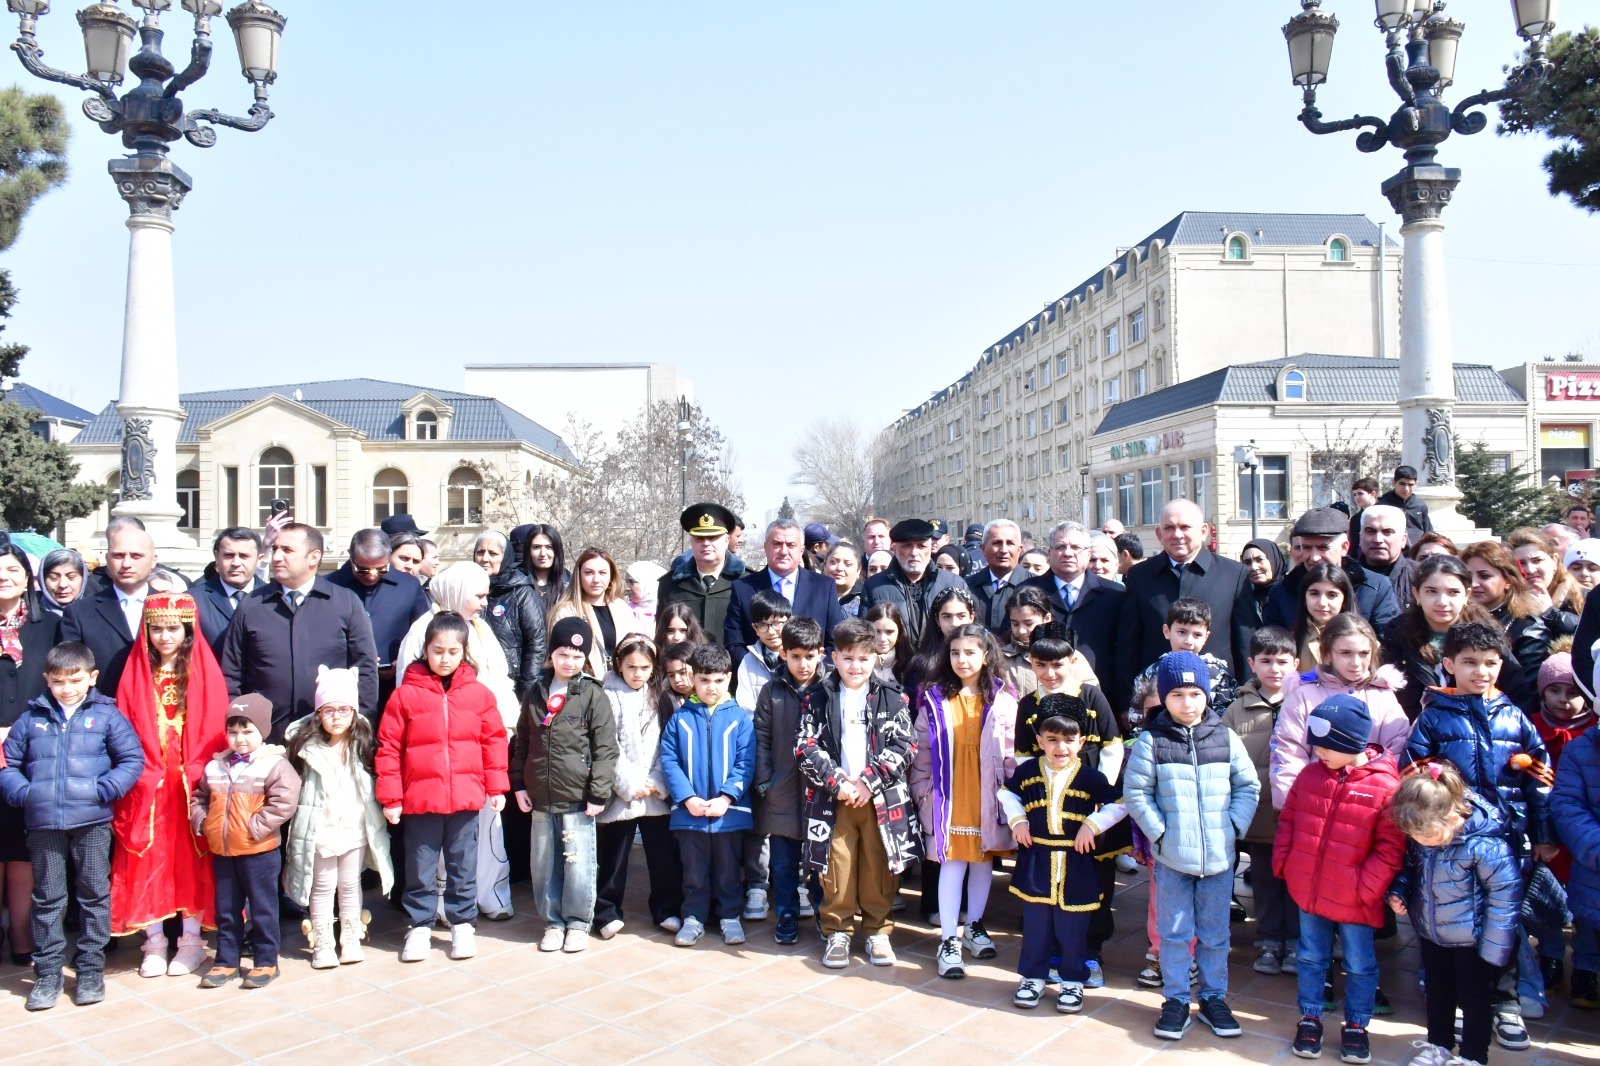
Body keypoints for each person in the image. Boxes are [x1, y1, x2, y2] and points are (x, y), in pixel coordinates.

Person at [1407, 620, 1555, 1050]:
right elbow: (1415, 774)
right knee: (1450, 922)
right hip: (1449, 843)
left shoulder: (1514, 716)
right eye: (1469, 662)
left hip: (1506, 844)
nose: (1481, 671)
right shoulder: (1433, 716)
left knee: (1502, 925)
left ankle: (1503, 1001)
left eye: (1490, 663)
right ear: (1449, 664)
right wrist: (1450, 815)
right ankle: (1450, 1006)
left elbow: (1541, 775)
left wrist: (1542, 830)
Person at [1122, 651, 1259, 1042]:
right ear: (1164, 697)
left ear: (1207, 695)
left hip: (1219, 858)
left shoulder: (1225, 737)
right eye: (1178, 694)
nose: (1187, 703)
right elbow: (1136, 792)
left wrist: (1233, 827)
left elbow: (1248, 786)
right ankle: (1177, 1000)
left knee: (1216, 934)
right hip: (1171, 859)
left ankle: (1214, 997)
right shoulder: (1152, 741)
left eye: (1195, 693)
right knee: (1175, 932)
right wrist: (1160, 833)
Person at [0, 642, 143, 1010]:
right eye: (59, 681)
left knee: (94, 893)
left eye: (75, 680)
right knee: (48, 898)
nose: (67, 689)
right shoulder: (31, 720)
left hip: (92, 821)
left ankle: (91, 968)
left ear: (91, 678)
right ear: (47, 679)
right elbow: (9, 765)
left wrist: (104, 789)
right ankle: (47, 972)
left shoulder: (107, 716)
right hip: (44, 823)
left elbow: (130, 759)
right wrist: (25, 794)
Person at [1274, 694, 1406, 1064]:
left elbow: (1390, 847)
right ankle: (1310, 1016)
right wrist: (1286, 863)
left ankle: (1356, 1025)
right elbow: (1290, 820)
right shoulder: (1311, 774)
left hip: (1356, 899)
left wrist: (1367, 887)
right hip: (1310, 892)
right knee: (1312, 956)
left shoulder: (1384, 786)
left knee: (1360, 963)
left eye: (1326, 745)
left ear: (1352, 742)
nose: (1317, 752)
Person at [377, 612, 509, 964]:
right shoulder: (405, 695)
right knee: (419, 867)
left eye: (453, 651)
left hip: (465, 798)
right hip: (419, 800)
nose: (445, 658)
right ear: (425, 649)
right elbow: (389, 747)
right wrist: (391, 797)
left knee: (462, 865)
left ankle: (462, 923)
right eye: (438, 651)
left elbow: (493, 742)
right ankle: (419, 925)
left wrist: (497, 788)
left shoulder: (479, 695)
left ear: (464, 652)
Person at [112, 592, 229, 979]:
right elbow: (126, 724)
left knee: (193, 854)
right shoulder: (135, 672)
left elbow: (213, 726)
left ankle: (192, 941)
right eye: (157, 628)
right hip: (149, 779)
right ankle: (155, 941)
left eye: (172, 628)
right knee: (149, 856)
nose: (164, 636)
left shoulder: (202, 671)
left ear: (187, 630)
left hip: (188, 777)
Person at [395, 562, 520, 920]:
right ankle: (441, 907)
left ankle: (487, 896)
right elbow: (413, 697)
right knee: (438, 842)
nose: (483, 603)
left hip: (478, 746)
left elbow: (498, 679)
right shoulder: (423, 631)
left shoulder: (479, 628)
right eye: (477, 595)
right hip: (436, 758)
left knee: (483, 831)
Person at [798, 617, 918, 969]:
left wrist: (868, 782)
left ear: (875, 658)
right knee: (837, 865)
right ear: (834, 658)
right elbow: (805, 746)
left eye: (864, 658)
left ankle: (878, 931)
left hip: (879, 799)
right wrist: (839, 783)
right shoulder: (816, 697)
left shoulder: (893, 697)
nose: (856, 666)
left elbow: (905, 745)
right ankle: (838, 930)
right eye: (848, 657)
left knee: (878, 865)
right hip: (834, 799)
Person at [1388, 764, 1521, 1066]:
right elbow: (1410, 869)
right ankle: (1439, 1045)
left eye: (1426, 835)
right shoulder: (1424, 837)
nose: (1420, 841)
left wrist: (1493, 948)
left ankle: (1474, 1055)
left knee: (1474, 999)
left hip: (1472, 940)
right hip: (1433, 932)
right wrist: (1399, 892)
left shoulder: (1485, 845)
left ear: (1451, 817)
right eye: (1414, 836)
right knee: (1437, 992)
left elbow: (1505, 896)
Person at [1016, 625, 1123, 986]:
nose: (1049, 673)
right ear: (1031, 663)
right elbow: (1021, 759)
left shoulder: (1091, 696)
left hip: (1089, 806)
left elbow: (1111, 747)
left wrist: (1098, 806)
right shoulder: (1027, 705)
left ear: (1073, 661)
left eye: (1058, 664)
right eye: (1041, 664)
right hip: (1047, 809)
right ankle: (1053, 953)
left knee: (1093, 880)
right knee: (1045, 881)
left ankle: (1090, 952)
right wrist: (1029, 809)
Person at [910, 623, 1017, 978]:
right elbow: (922, 748)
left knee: (983, 860)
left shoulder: (1003, 698)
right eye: (955, 653)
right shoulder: (934, 697)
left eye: (970, 652)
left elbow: (1012, 749)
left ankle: (974, 925)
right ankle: (948, 939)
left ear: (986, 657)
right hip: (948, 794)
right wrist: (921, 789)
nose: (962, 659)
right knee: (953, 861)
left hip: (987, 793)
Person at [1000, 712, 1124, 1013]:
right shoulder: (1028, 771)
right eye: (1052, 740)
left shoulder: (1090, 776)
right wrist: (1017, 821)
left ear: (1081, 742)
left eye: (1069, 740)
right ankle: (1033, 977)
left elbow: (1120, 803)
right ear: (1040, 741)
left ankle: (1072, 981)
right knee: (1036, 925)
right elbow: (1006, 794)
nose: (1061, 747)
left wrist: (1091, 825)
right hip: (1037, 858)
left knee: (1073, 927)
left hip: (1076, 862)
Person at [512, 616, 617, 954]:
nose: (569, 662)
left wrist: (599, 790)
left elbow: (605, 748)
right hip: (541, 797)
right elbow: (523, 741)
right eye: (563, 654)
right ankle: (553, 922)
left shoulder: (592, 695)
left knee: (578, 862)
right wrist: (519, 784)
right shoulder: (535, 691)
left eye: (577, 655)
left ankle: (576, 922)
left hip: (578, 798)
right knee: (544, 862)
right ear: (551, 655)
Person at [220, 523, 379, 742]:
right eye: (275, 549)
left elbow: (365, 669)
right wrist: (238, 726)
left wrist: (361, 726)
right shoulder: (252, 605)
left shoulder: (344, 602)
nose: (276, 557)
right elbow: (232, 673)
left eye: (287, 550)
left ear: (313, 557)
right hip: (264, 739)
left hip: (328, 738)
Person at [284, 666, 393, 969]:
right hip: (320, 829)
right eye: (328, 709)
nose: (336, 716)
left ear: (354, 712)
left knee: (349, 884)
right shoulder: (305, 748)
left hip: (355, 826)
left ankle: (351, 937)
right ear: (318, 713)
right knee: (322, 885)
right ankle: (323, 942)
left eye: (343, 709)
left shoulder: (362, 744)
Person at [189, 692, 298, 990]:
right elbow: (199, 797)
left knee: (263, 906)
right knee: (226, 907)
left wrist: (256, 827)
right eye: (233, 732)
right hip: (223, 851)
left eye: (247, 731)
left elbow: (284, 802)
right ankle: (226, 961)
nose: (239, 739)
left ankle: (266, 960)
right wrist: (203, 822)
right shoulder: (215, 767)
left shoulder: (273, 765)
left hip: (258, 850)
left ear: (261, 731)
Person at [660, 643, 754, 948]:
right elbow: (670, 761)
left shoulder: (740, 719)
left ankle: (730, 917)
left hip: (728, 814)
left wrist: (726, 798)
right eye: (704, 680)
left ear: (728, 678)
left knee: (728, 870)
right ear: (693, 679)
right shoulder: (680, 719)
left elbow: (746, 762)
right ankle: (694, 918)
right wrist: (687, 798)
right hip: (691, 814)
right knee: (694, 870)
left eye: (718, 680)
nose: (710, 687)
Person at [1270, 613, 1410, 809]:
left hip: (1368, 806)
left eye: (1363, 653)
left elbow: (1396, 751)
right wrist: (1293, 805)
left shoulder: (1383, 696)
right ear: (1326, 653)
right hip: (1314, 804)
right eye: (1346, 653)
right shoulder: (1304, 695)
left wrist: (1382, 799)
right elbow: (1289, 753)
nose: (1356, 662)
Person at [1224, 626, 1299, 975]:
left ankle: (1297, 942)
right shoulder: (1237, 710)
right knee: (1266, 880)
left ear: (1296, 664)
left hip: (1298, 816)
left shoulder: (1306, 703)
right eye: (1266, 661)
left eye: (1283, 661)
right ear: (1252, 664)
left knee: (1296, 881)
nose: (1275, 669)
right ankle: (1269, 940)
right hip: (1257, 816)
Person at [595, 635, 681, 936]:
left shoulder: (658, 696)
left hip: (654, 791)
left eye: (644, 667)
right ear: (619, 664)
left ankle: (666, 908)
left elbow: (665, 743)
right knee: (615, 855)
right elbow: (607, 745)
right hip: (623, 793)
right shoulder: (607, 695)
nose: (637, 674)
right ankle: (606, 911)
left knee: (661, 856)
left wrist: (656, 781)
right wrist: (630, 783)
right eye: (631, 667)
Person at [0, 536, 60, 965]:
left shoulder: (48, 626)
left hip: (32, 753)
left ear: (27, 579)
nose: (3, 579)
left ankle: (22, 934)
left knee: (23, 847)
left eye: (12, 571)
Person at [1117, 500, 1252, 683]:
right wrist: (1126, 701)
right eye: (1169, 528)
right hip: (1155, 692)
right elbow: (1129, 642)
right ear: (1159, 533)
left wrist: (1247, 694)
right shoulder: (1139, 575)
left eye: (1185, 527)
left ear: (1204, 531)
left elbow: (1245, 643)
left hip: (1217, 693)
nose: (1177, 534)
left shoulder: (1234, 574)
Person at [755, 616, 827, 944]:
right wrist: (765, 780)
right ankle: (786, 911)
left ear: (821, 654)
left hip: (822, 793)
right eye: (795, 656)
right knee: (783, 862)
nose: (802, 663)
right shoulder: (772, 691)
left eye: (809, 656)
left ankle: (823, 910)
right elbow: (762, 738)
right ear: (783, 654)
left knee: (820, 859)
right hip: (782, 790)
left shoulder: (831, 689)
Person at [1530, 653, 1591, 995]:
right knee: (1546, 899)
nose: (1564, 700)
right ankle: (1550, 955)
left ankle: (1587, 965)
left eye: (1572, 691)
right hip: (1545, 830)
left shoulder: (1591, 732)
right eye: (1555, 691)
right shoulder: (1532, 726)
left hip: (1582, 835)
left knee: (1584, 902)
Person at [329, 528, 432, 714]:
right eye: (362, 569)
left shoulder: (408, 586)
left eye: (381, 569)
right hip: (339, 694)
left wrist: (402, 661)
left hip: (392, 690)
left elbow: (424, 636)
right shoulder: (329, 586)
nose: (372, 575)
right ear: (351, 557)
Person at [1461, 540, 1577, 702]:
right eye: (1467, 577)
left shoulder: (1528, 628)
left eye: (1485, 576)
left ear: (1508, 580)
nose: (1474, 584)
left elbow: (1527, 694)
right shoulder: (1457, 619)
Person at [1024, 521, 1125, 702]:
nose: (1068, 553)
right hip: (1041, 696)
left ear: (1087, 553)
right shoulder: (1027, 592)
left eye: (1076, 547)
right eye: (1061, 546)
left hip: (1101, 697)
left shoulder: (1115, 595)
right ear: (1050, 553)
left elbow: (1125, 651)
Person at [1262, 507, 1400, 635]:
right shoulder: (1282, 592)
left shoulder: (1376, 587)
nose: (1314, 557)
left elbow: (1388, 642)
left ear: (1344, 547)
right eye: (1307, 548)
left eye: (1323, 548)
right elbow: (1272, 647)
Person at [725, 519, 844, 664]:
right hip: (758, 682)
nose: (783, 551)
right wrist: (755, 671)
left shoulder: (824, 587)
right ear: (765, 547)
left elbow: (837, 640)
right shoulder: (743, 588)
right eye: (777, 544)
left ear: (801, 550)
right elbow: (734, 642)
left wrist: (813, 676)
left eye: (791, 545)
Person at [61, 524, 159, 698]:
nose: (126, 564)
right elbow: (69, 671)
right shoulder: (79, 613)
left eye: (136, 556)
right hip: (101, 714)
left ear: (153, 560)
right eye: (118, 556)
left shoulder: (173, 608)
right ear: (107, 559)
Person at [1552, 710, 1600, 1010]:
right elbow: (1567, 805)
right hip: (1593, 860)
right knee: (1590, 922)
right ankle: (1586, 968)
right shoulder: (1581, 750)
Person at [860, 519, 965, 648]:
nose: (914, 553)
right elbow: (864, 636)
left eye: (921, 546)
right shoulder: (874, 586)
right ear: (894, 548)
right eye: (907, 546)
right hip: (894, 665)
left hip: (941, 664)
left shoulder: (954, 583)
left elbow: (968, 633)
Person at [1127, 599, 1237, 718]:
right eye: (1182, 632)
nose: (1189, 641)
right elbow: (1137, 720)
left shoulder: (1219, 676)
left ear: (1206, 637)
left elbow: (1227, 721)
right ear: (1167, 631)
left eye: (1197, 635)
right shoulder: (1149, 675)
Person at [474, 530, 549, 701]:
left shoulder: (521, 591)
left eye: (493, 553)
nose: (485, 558)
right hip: (475, 685)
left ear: (506, 556)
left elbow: (536, 643)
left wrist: (526, 688)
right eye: (480, 552)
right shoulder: (467, 589)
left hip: (510, 687)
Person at [657, 504, 746, 645]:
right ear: (691, 542)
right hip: (684, 666)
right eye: (699, 538)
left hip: (734, 666)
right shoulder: (670, 584)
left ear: (726, 540)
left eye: (713, 537)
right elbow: (662, 638)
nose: (706, 543)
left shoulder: (746, 582)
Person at [552, 547, 646, 679]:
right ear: (579, 575)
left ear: (611, 576)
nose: (596, 579)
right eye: (589, 573)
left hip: (621, 685)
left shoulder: (622, 608)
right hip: (582, 687)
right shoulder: (566, 611)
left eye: (602, 573)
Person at [191, 528, 264, 653]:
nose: (236, 563)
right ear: (216, 557)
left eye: (244, 556)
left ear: (259, 560)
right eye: (228, 555)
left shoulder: (275, 599)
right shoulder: (192, 601)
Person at [1288, 562, 1358, 670]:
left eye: (1332, 595)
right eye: (1314, 594)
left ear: (1344, 600)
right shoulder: (1291, 639)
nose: (1322, 603)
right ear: (1304, 598)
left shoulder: (1363, 640)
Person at [967, 519, 1027, 637]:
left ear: (1019, 550)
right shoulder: (967, 586)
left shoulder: (1035, 586)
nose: (1004, 550)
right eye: (997, 543)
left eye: (1010, 543)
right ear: (983, 549)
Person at [735, 589, 791, 714]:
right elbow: (746, 708)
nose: (771, 631)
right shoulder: (748, 662)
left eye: (777, 623)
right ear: (755, 628)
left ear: (788, 621)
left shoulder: (802, 657)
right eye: (763, 625)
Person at [1508, 527, 1586, 616]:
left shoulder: (1586, 598)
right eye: (1521, 563)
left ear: (1554, 561)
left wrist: (1549, 612)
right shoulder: (1507, 601)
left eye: (1537, 560)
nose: (1530, 570)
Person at [1356, 505, 1417, 614]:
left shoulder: (1420, 577)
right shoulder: (1345, 578)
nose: (1378, 539)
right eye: (1371, 531)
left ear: (1404, 540)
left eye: (1387, 532)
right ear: (1360, 538)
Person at [519, 524, 571, 619]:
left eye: (549, 547)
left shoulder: (570, 583)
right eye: (536, 547)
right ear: (528, 550)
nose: (543, 553)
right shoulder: (517, 582)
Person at [1239, 538, 1286, 632]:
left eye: (1259, 559)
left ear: (1273, 560)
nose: (1253, 567)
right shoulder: (1243, 598)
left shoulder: (1290, 595)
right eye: (1247, 562)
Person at [866, 602, 913, 688]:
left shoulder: (911, 666)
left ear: (899, 633)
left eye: (889, 632)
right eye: (877, 631)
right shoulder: (856, 663)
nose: (882, 638)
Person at [1377, 464, 1433, 536]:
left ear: (1416, 484)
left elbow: (1428, 531)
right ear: (1393, 483)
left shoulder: (1420, 505)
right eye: (1402, 484)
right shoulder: (1382, 506)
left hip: (1417, 546)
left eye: (1410, 485)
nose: (1406, 489)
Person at [39, 548, 87, 617]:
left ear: (83, 578)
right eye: (54, 578)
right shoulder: (27, 613)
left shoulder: (95, 613)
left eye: (71, 577)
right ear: (42, 580)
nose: (62, 585)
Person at [624, 560, 667, 634]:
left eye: (631, 582)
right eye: (627, 582)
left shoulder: (665, 614)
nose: (627, 588)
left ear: (648, 583)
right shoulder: (624, 612)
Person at [825, 542, 864, 618]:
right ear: (825, 565)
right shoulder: (812, 594)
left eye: (848, 564)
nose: (839, 568)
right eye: (833, 562)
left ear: (858, 571)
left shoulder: (865, 599)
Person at [1347, 477, 1379, 546]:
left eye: (1360, 493)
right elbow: (1354, 544)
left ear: (1372, 494)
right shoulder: (1355, 519)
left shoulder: (1385, 514)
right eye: (1355, 494)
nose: (1356, 497)